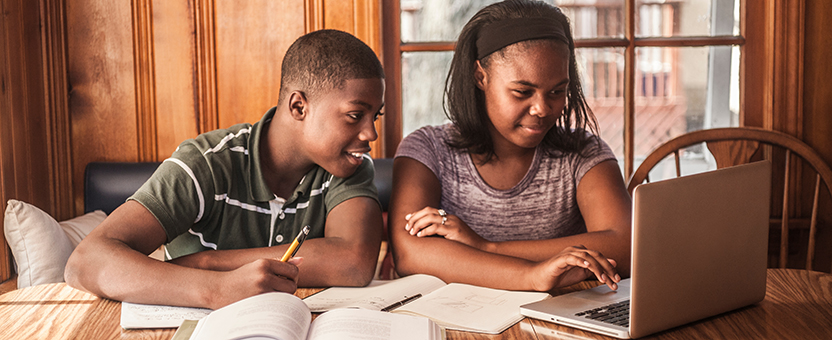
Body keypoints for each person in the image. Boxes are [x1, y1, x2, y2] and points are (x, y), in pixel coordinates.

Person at [65, 30, 386, 309]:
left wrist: (207, 262)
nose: (370, 134)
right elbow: (85, 262)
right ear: (299, 106)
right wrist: (216, 289)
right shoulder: (206, 162)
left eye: (375, 116)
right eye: (355, 115)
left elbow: (353, 262)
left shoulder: (349, 166)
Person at [389, 0, 631, 292]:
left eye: (557, 91)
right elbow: (410, 255)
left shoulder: (583, 153)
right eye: (522, 92)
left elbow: (625, 245)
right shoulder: (428, 150)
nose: (542, 108)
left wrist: (487, 247)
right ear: (481, 76)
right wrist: (532, 276)